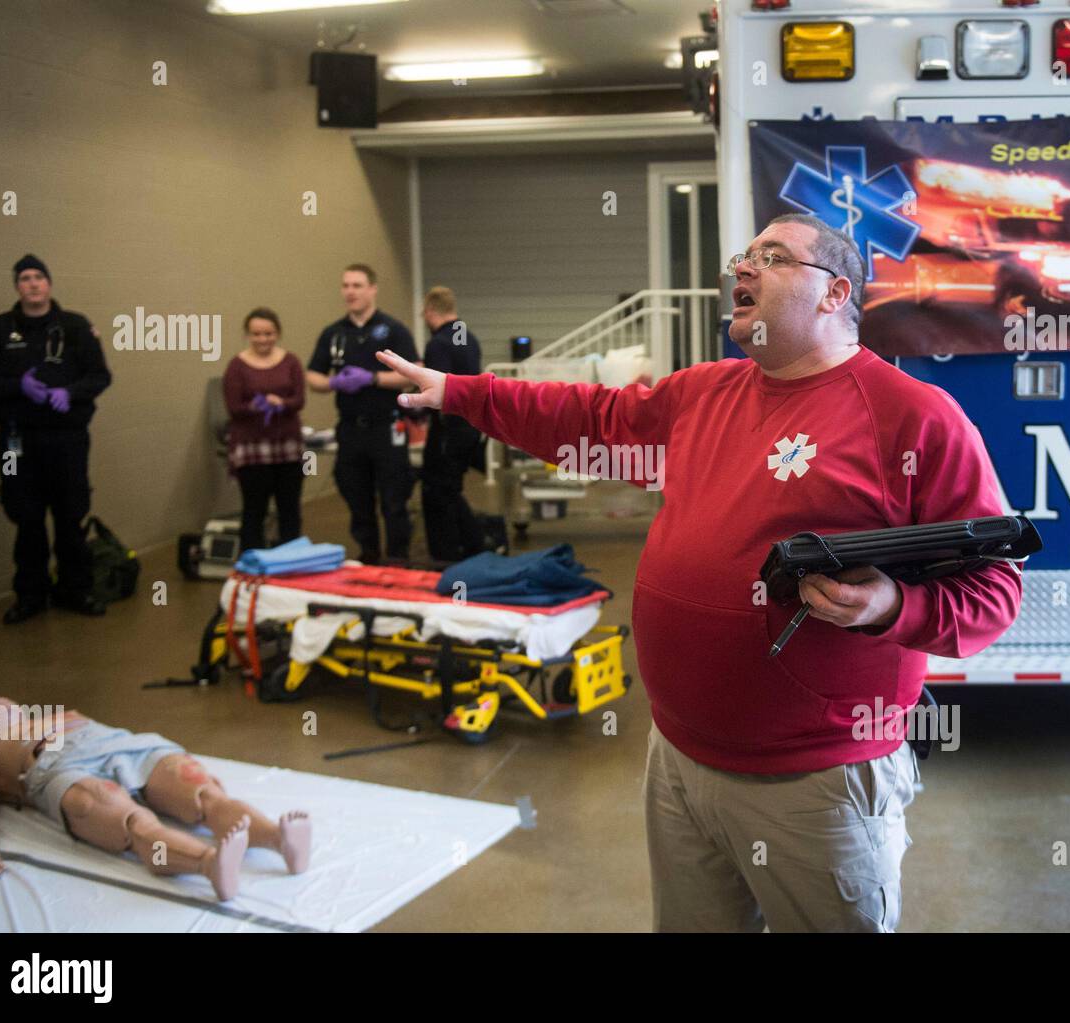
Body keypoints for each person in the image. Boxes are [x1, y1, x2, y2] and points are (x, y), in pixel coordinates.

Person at [375, 214, 1023, 933]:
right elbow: (588, 419)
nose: (741, 269)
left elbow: (994, 591)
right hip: (678, 759)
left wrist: (887, 603)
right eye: (743, 257)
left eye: (771, 257)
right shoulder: (704, 393)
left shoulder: (914, 418)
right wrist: (463, 393)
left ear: (835, 292)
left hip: (817, 779)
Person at [0, 696, 312, 901]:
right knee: (128, 820)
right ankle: (209, 863)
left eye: (1, 702)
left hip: (121, 744)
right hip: (56, 767)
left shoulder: (56, 715)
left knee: (200, 792)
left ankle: (278, 838)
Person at [0, 255, 112, 624]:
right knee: (24, 514)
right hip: (15, 442)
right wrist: (18, 387)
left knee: (70, 514)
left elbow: (100, 376)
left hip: (67, 438)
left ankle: (74, 589)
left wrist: (72, 392)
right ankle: (30, 595)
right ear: (17, 286)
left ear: (49, 283)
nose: (32, 284)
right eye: (25, 278)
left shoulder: (75, 326)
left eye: (38, 277)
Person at [305, 265, 419, 564]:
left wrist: (373, 378)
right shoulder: (333, 334)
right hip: (351, 429)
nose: (350, 292)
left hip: (387, 427)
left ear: (372, 289)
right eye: (345, 286)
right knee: (357, 497)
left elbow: (413, 373)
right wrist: (333, 383)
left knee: (394, 499)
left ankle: (398, 559)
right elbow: (313, 376)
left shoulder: (393, 330)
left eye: (357, 285)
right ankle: (368, 556)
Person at [222, 308, 306, 553]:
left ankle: (291, 560)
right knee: (254, 508)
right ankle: (252, 563)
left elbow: (299, 400)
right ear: (248, 335)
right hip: (251, 449)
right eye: (257, 334)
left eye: (268, 333)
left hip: (287, 447)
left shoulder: (291, 361)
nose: (263, 339)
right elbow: (234, 407)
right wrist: (257, 406)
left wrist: (282, 404)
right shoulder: (237, 366)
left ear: (277, 333)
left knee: (289, 508)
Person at [419, 286, 486, 563]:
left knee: (437, 491)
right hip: (469, 426)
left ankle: (447, 553)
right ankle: (473, 545)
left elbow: (437, 387)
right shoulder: (469, 339)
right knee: (450, 489)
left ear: (431, 311)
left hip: (448, 429)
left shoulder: (438, 344)